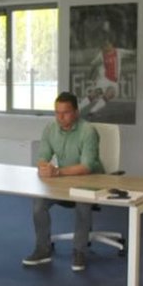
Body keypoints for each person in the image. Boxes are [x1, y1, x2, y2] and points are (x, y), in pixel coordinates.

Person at [22, 92, 103, 272]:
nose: (60, 117)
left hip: (90, 180)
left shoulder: (88, 131)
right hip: (63, 181)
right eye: (57, 113)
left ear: (76, 112)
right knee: (39, 203)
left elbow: (87, 166)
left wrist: (57, 172)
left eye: (65, 113)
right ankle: (43, 249)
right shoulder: (50, 129)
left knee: (83, 203)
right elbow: (42, 156)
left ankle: (79, 251)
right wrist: (44, 167)